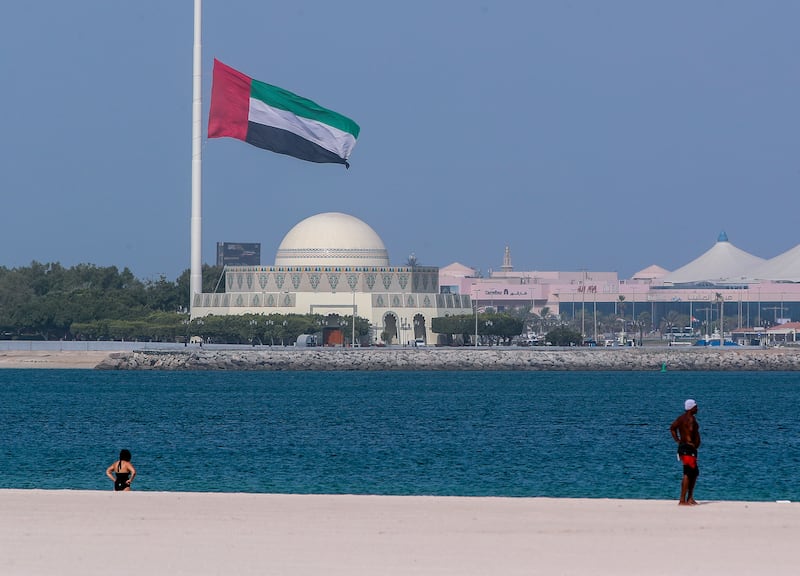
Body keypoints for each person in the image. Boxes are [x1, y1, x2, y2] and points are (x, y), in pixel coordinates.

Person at [670, 399, 700, 505]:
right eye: (696, 407)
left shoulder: (680, 418)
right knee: (688, 472)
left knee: (694, 472)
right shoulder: (690, 419)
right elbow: (691, 431)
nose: (697, 408)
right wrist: (691, 441)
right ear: (691, 408)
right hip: (688, 449)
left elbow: (672, 428)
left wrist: (678, 441)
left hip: (684, 448)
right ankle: (682, 500)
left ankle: (690, 498)